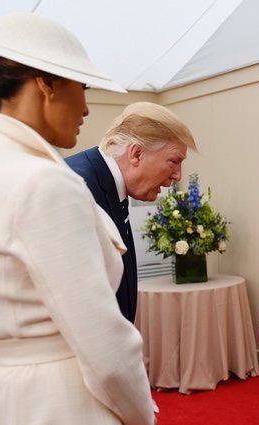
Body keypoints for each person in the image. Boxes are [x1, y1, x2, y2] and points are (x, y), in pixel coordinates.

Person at [0, 12, 154, 425]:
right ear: (46, 84)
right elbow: (104, 345)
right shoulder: (45, 182)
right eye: (81, 86)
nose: (87, 107)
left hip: (1, 388)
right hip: (63, 399)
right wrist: (142, 414)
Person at [66, 101, 196, 322]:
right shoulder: (77, 189)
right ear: (136, 154)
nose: (178, 176)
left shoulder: (107, 187)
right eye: (173, 161)